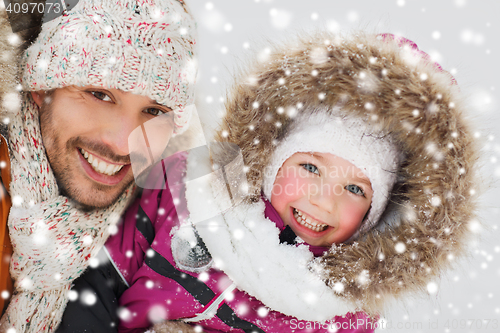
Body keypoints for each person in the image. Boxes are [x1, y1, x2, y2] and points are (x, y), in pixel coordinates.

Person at [102, 31, 480, 332]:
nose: (322, 201)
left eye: (354, 189)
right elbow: (103, 274)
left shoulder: (341, 313)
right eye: (311, 168)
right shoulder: (193, 190)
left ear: (374, 215)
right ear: (273, 161)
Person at [0, 0, 197, 331]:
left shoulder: (167, 233)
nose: (123, 144)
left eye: (154, 111)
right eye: (99, 94)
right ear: (41, 87)